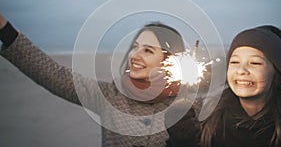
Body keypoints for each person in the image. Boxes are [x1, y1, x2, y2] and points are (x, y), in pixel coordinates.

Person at [0, 13, 206, 147]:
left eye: (148, 50)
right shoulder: (109, 96)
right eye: (135, 46)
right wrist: (5, 31)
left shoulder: (188, 102)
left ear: (168, 61)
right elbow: (53, 74)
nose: (135, 55)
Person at [166, 25, 281, 147]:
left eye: (255, 63)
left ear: (277, 72)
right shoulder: (209, 117)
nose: (241, 70)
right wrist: (182, 138)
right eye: (235, 61)